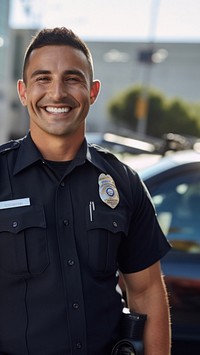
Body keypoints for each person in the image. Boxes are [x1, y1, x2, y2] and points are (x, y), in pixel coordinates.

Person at [0, 27, 171, 355]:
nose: (57, 93)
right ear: (23, 92)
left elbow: (147, 291)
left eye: (72, 79)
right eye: (43, 78)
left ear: (92, 92)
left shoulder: (123, 182)